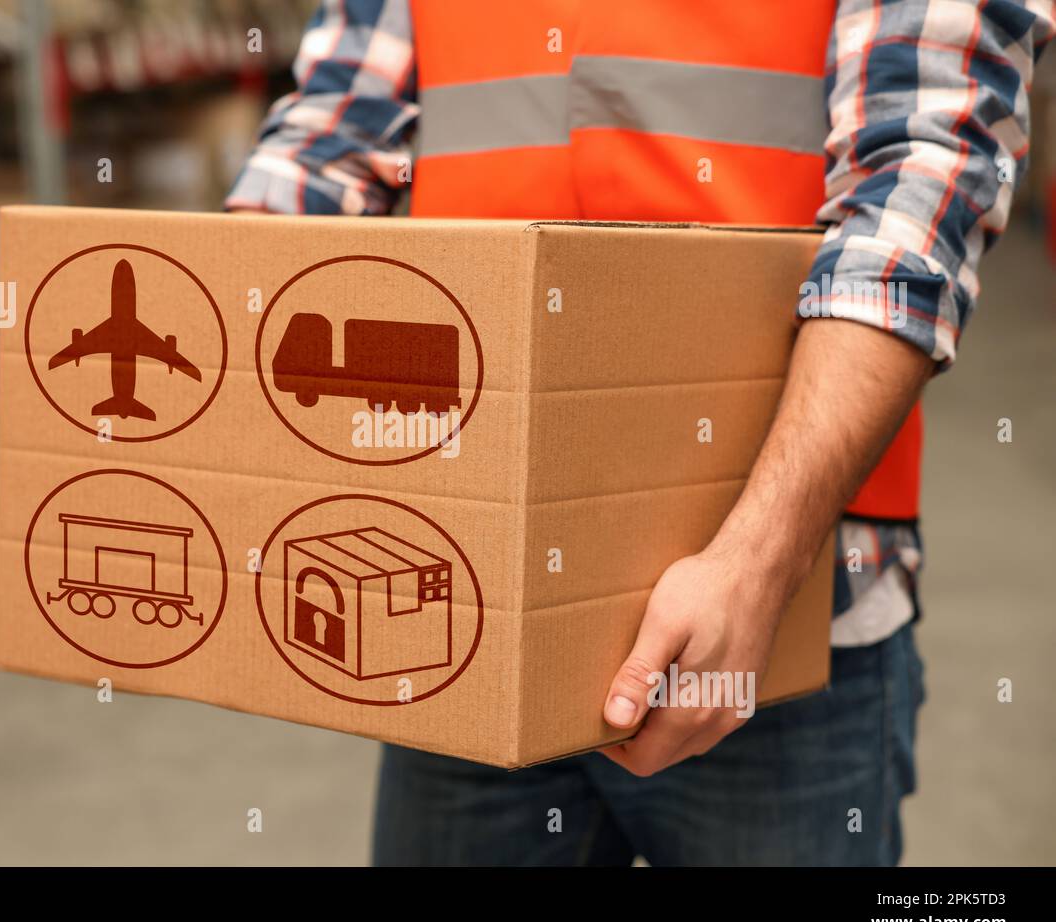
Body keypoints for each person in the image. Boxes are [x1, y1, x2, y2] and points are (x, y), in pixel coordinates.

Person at [226, 0, 1054, 865]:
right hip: (467, 602)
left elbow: (922, 181)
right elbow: (324, 147)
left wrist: (758, 564)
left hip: (779, 614)